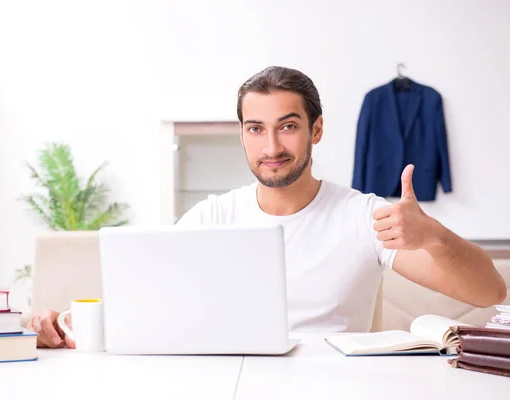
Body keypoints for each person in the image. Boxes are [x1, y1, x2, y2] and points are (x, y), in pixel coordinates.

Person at [29, 66, 507, 348]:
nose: (271, 145)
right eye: (255, 128)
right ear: (242, 134)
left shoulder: (365, 216)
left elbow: (489, 291)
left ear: (316, 130)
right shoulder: (211, 218)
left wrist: (436, 237)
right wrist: (59, 323)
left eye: (288, 125)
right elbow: (139, 306)